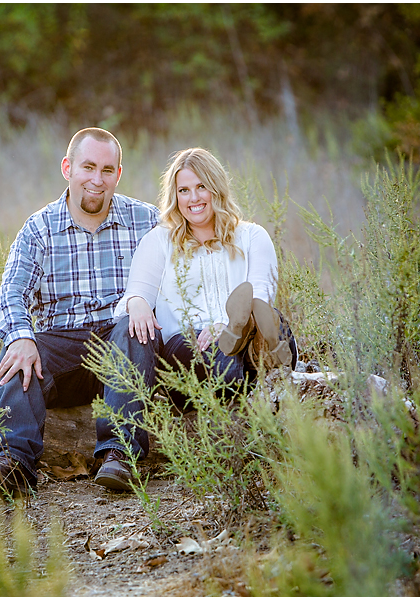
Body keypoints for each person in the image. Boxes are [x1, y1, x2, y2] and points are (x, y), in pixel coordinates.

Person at [0, 127, 159, 495]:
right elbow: (11, 294)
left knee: (133, 329)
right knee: (19, 351)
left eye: (106, 170)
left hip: (125, 345)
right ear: (68, 167)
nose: (96, 180)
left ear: (118, 174)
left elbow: (189, 262)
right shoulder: (39, 229)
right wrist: (21, 336)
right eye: (88, 167)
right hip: (64, 348)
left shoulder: (146, 221)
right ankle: (12, 462)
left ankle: (120, 455)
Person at [96, 147, 297, 486]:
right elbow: (134, 295)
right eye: (184, 190)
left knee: (267, 317)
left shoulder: (251, 236)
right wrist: (137, 303)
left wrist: (224, 323)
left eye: (200, 187)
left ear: (216, 187)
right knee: (222, 359)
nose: (193, 198)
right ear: (174, 196)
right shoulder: (160, 241)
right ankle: (253, 349)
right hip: (187, 352)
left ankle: (247, 335)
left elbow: (262, 292)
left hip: (241, 334)